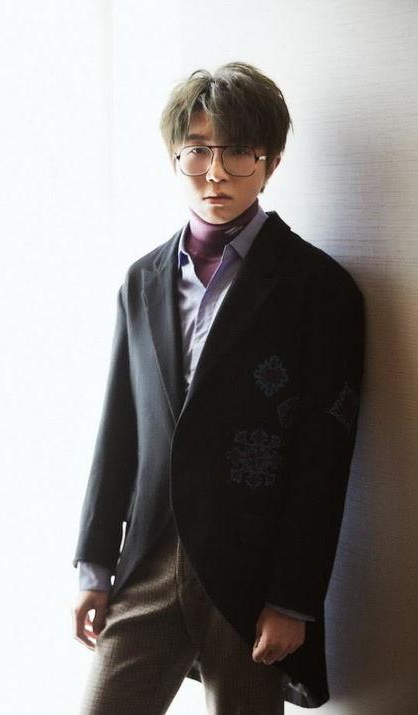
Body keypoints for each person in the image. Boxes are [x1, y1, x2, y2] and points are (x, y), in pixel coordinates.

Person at [71, 61, 365, 713]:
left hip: (248, 578)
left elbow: (324, 459)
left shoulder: (320, 291)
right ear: (174, 158)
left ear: (271, 160)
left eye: (238, 151)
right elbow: (120, 428)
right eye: (197, 150)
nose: (216, 173)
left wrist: (293, 598)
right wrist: (94, 564)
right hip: (149, 559)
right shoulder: (143, 281)